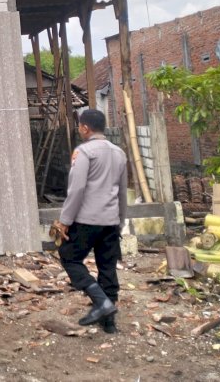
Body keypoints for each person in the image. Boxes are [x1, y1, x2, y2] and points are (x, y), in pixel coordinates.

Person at [53, 109, 127, 334]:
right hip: (111, 219)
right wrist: (120, 221)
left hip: (87, 219)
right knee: (107, 265)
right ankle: (109, 323)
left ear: (85, 128)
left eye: (80, 126)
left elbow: (77, 189)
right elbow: (123, 192)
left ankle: (101, 301)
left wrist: (65, 220)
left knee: (69, 256)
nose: (79, 129)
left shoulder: (84, 152)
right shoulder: (119, 153)